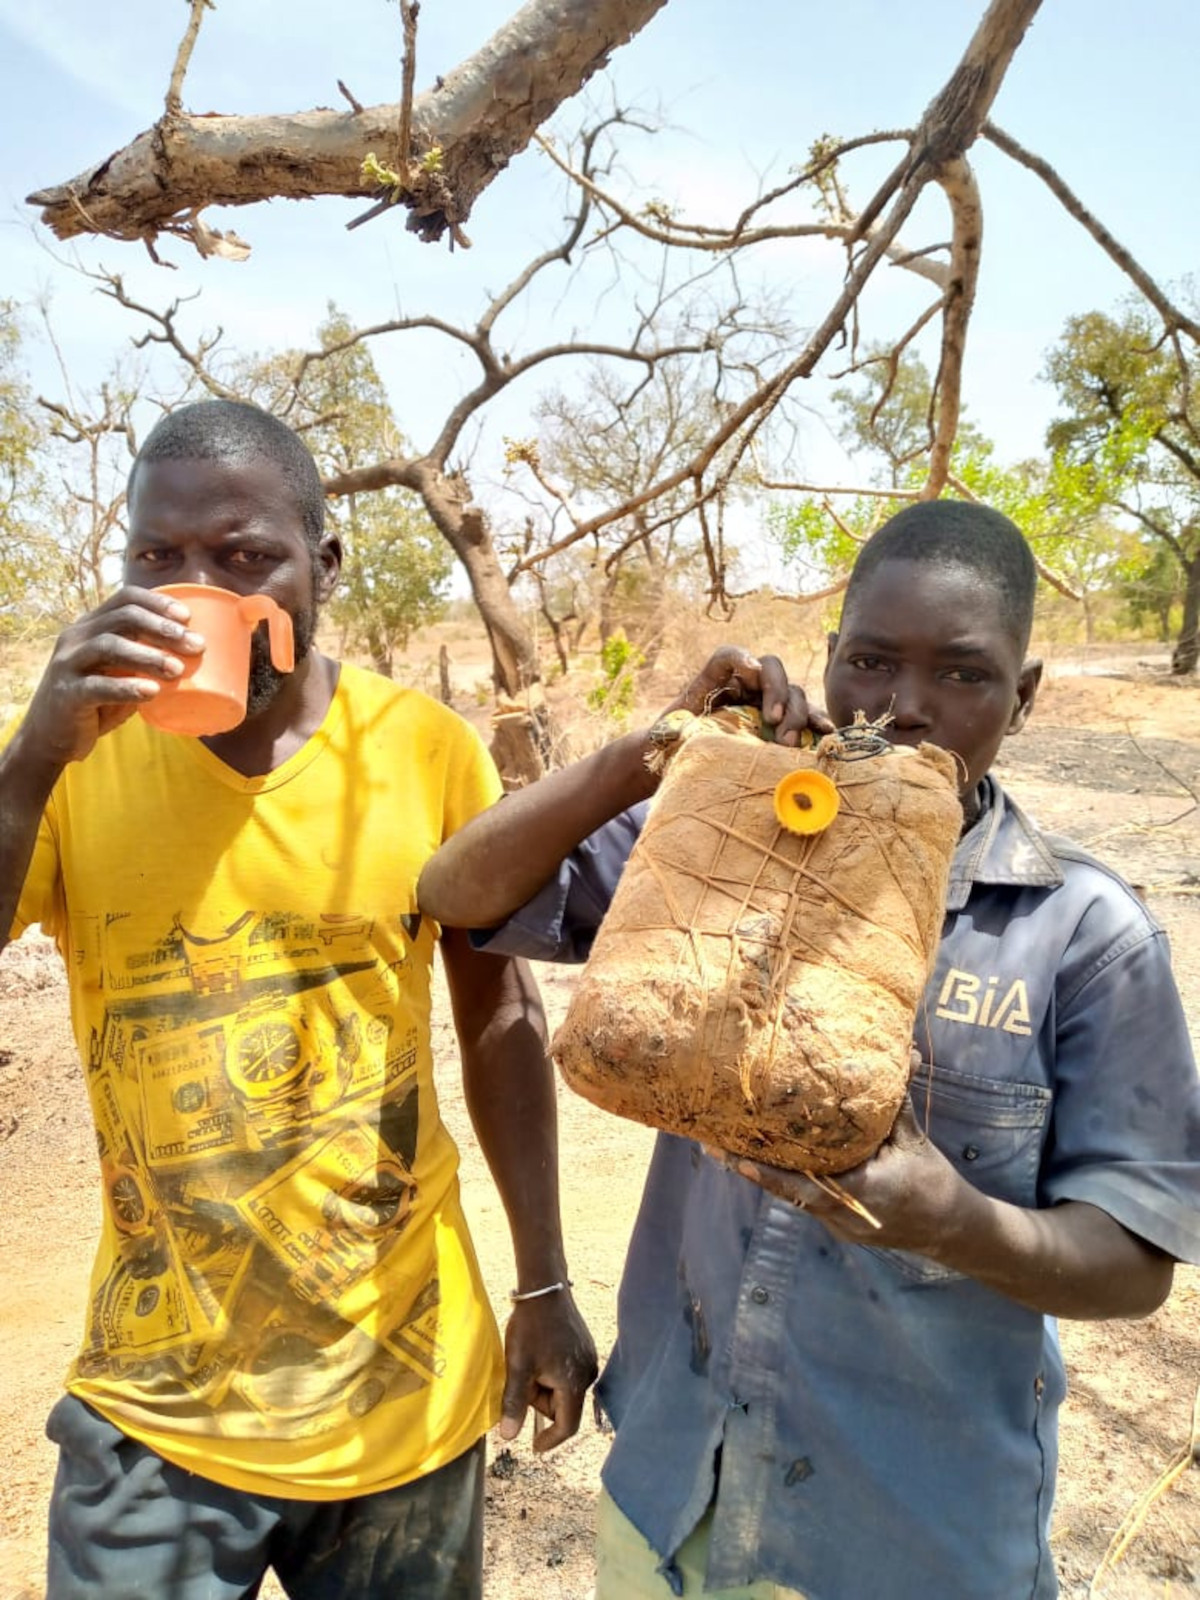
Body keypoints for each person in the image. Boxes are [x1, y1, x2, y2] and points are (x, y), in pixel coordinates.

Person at [417, 500, 1200, 1600]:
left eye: (964, 676)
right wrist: (658, 751)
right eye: (872, 661)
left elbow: (1136, 1267)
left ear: (1024, 697)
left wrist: (951, 1219)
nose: (906, 709)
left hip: (902, 1543)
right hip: (669, 1500)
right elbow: (456, 891)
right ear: (829, 661)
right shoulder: (728, 834)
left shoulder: (1083, 933)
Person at [0, 398, 597, 1600]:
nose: (195, 587)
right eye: (156, 558)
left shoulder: (422, 750)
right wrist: (32, 758)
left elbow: (500, 1018)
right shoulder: (74, 763)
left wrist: (543, 1283)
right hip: (157, 1410)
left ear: (325, 563)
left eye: (243, 556)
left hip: (401, 1405)